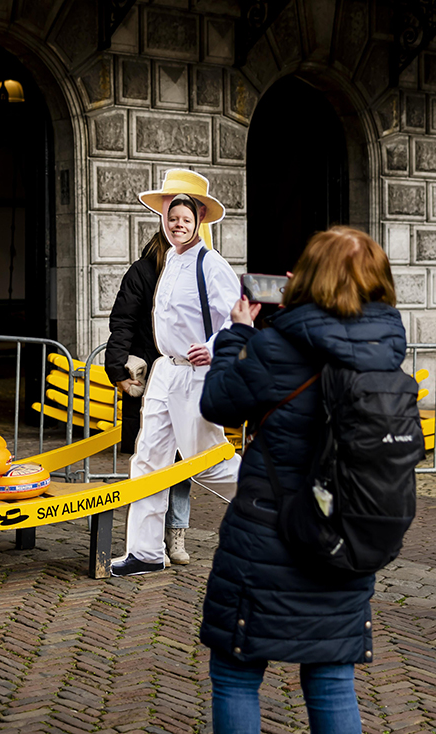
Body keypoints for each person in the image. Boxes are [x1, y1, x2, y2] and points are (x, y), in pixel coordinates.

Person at [199, 226, 398, 732]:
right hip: (342, 540)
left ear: (305, 278)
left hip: (267, 539)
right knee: (332, 678)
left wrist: (238, 334)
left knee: (236, 673)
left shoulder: (275, 349)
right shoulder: (386, 360)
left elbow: (218, 402)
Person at [110, 169, 241, 577]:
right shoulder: (170, 261)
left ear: (199, 220)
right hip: (166, 372)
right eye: (171, 218)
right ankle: (145, 552)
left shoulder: (212, 265)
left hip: (194, 376)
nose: (177, 224)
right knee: (148, 460)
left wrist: (216, 347)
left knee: (206, 461)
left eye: (184, 219)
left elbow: (239, 319)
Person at [104, 228, 193, 565]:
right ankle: (150, 541)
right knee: (153, 462)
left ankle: (176, 534)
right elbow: (122, 322)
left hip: (187, 379)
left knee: (184, 462)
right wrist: (117, 371)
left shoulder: (198, 271)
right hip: (151, 378)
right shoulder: (142, 271)